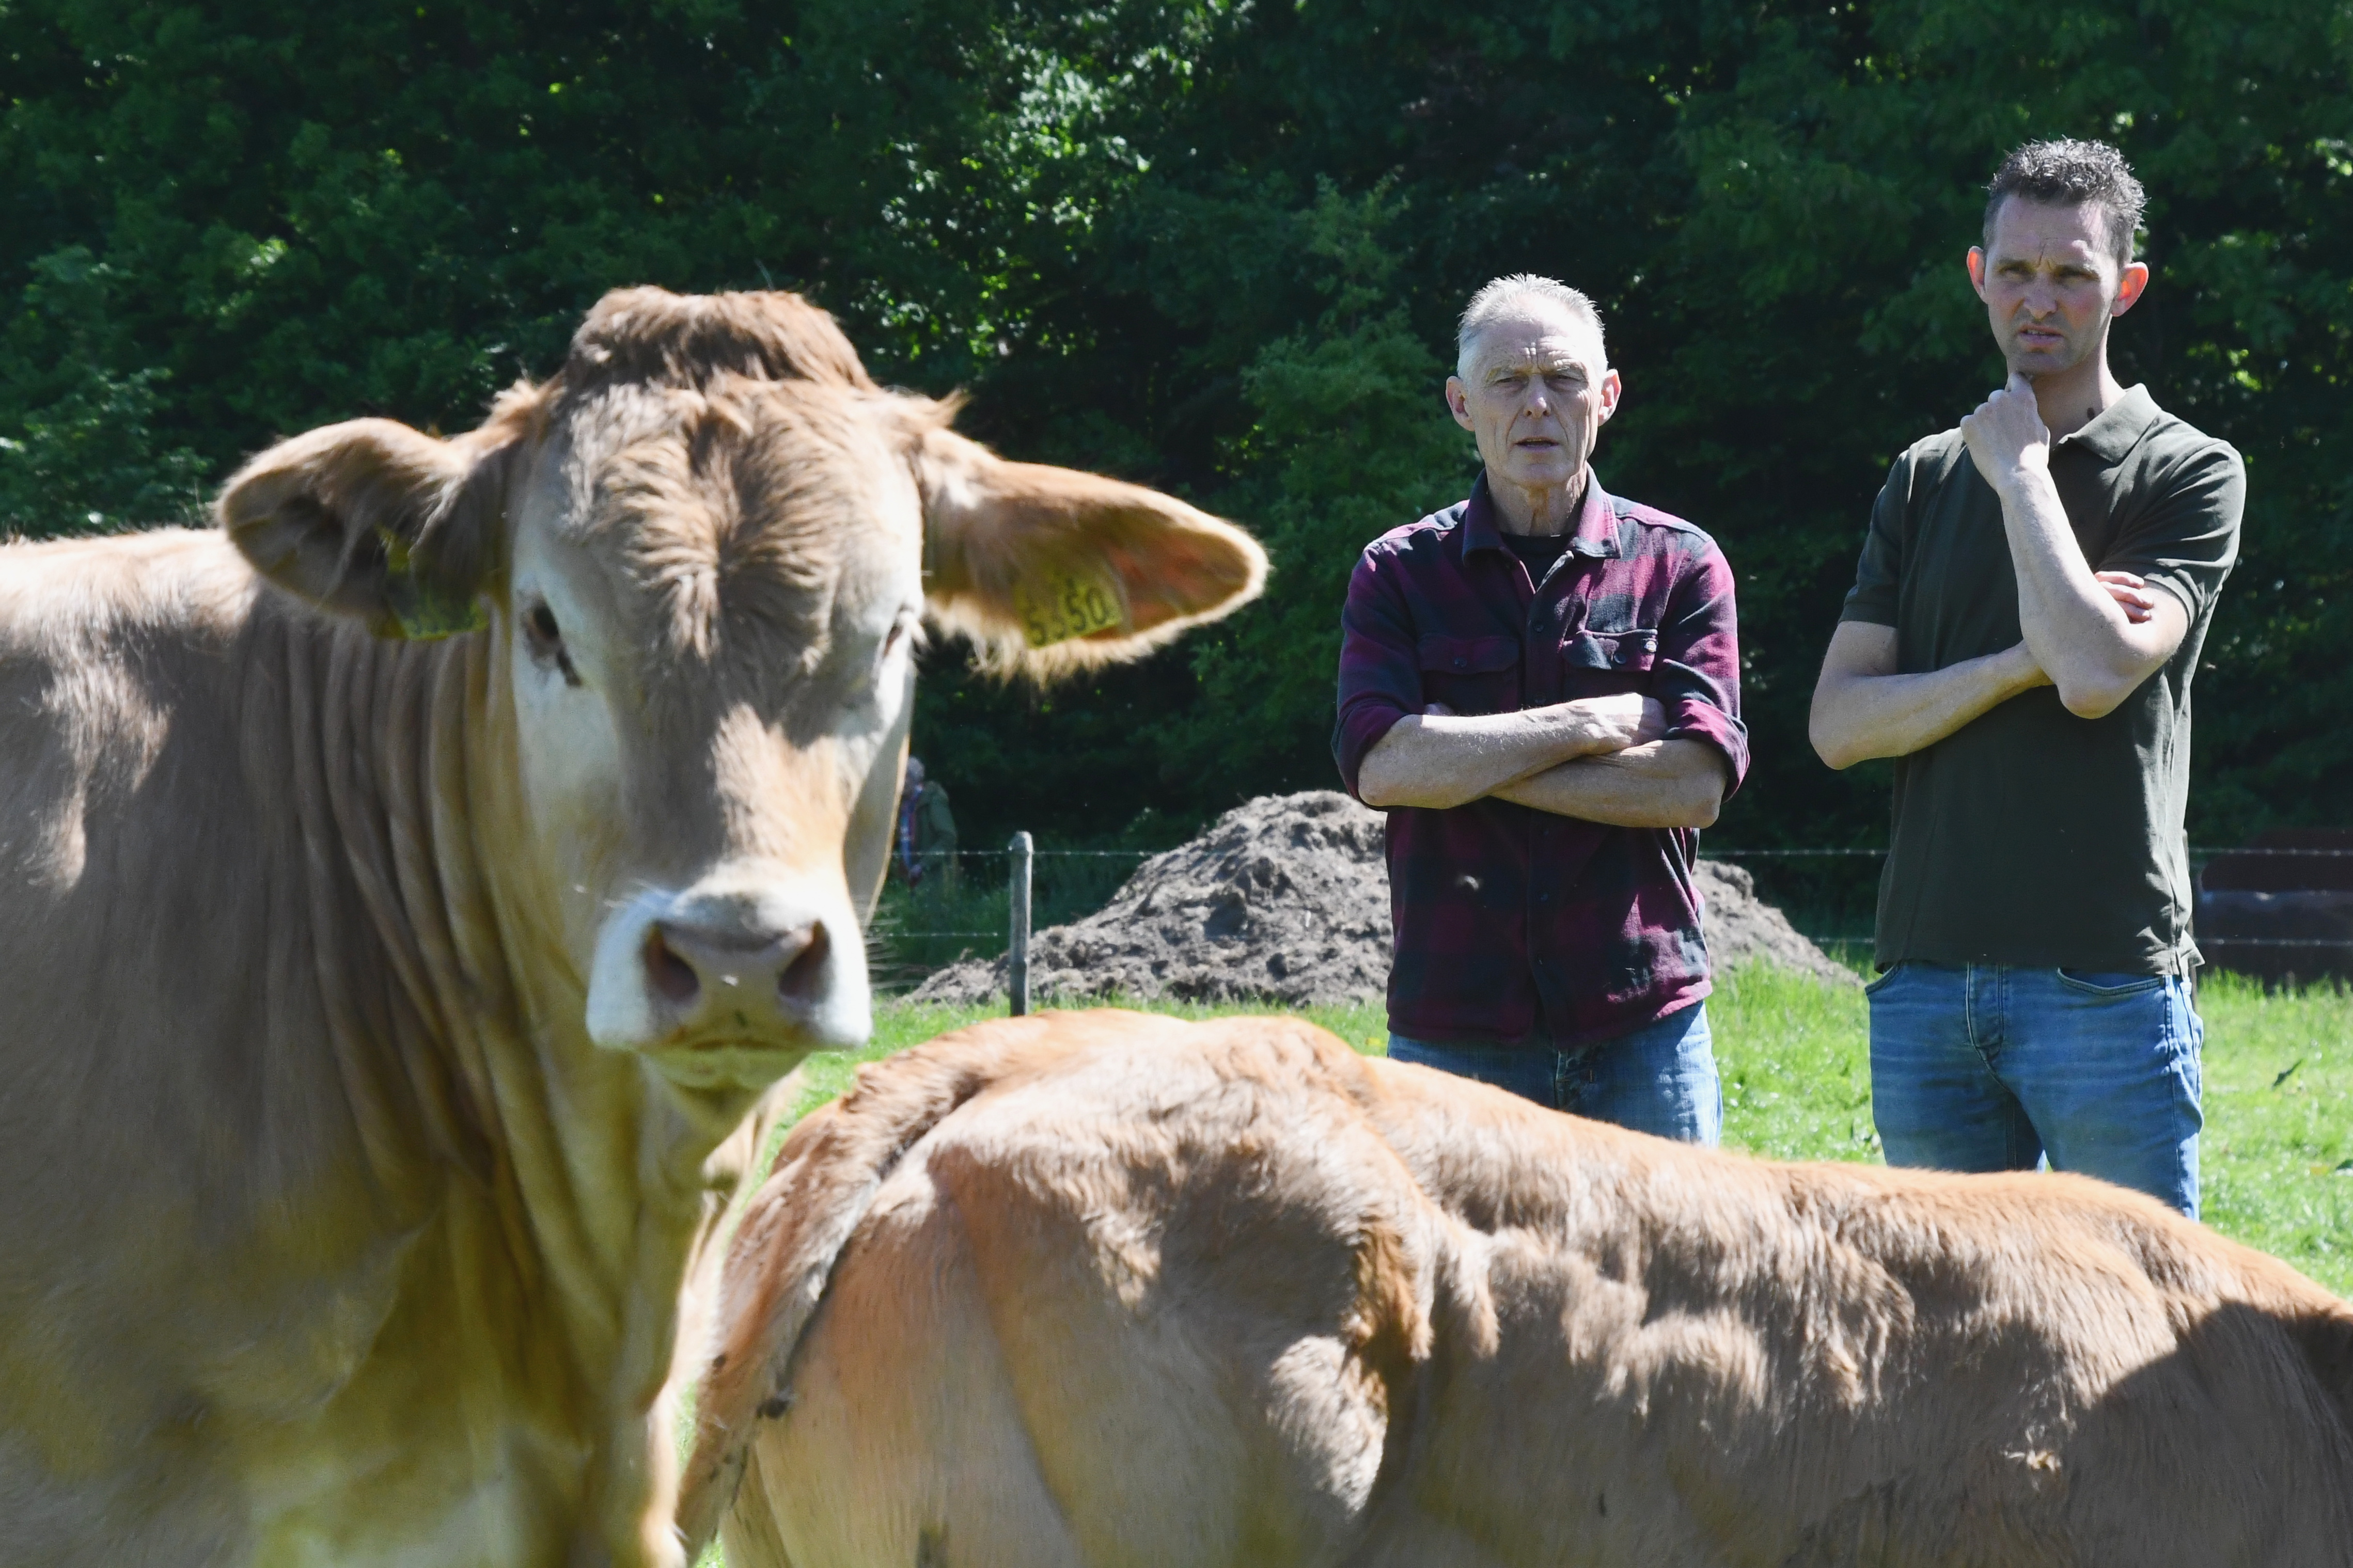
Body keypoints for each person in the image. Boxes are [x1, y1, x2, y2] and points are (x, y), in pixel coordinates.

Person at [1809, 139, 2244, 1218]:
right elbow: (1837, 725)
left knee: (2142, 1336)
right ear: (1977, 275)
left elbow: (2094, 673)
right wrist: (2015, 664)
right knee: (1942, 1347)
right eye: (2014, 271)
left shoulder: (2188, 469)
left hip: (2101, 977)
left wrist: (2018, 473)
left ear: (2125, 289)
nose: (2035, 300)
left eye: (2070, 275)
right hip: (1922, 981)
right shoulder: (1920, 477)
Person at [1333, 274, 1748, 1142]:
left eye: (1562, 378)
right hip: (1455, 1038)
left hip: (1644, 1031)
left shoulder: (1681, 563)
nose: (1536, 405)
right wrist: (1588, 725)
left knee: (1667, 1282)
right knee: (1451, 1284)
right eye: (1507, 381)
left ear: (1607, 396)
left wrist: (1459, 762)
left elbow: (1692, 788)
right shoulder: (1398, 572)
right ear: (1460, 403)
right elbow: (1383, 768)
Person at [896, 755, 960, 893]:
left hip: (934, 881)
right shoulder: (903, 806)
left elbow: (948, 837)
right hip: (908, 882)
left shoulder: (932, 800)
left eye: (905, 777)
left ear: (915, 779)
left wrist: (923, 865)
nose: (900, 782)